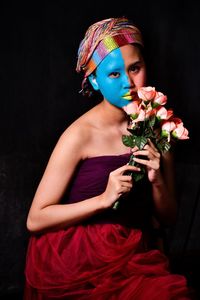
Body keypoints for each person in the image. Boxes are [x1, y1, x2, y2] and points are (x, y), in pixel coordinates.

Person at [24, 17, 194, 299]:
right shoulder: (79, 135)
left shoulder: (160, 125)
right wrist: (104, 198)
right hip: (77, 255)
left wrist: (157, 180)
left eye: (135, 68)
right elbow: (35, 219)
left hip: (132, 252)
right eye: (114, 74)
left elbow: (168, 216)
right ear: (95, 80)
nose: (128, 81)